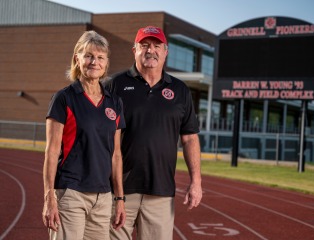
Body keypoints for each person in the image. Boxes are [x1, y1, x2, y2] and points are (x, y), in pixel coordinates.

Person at [106, 26, 202, 240]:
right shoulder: (115, 85)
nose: (151, 50)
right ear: (134, 50)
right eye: (145, 45)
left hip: (160, 191)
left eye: (157, 46)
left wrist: (196, 181)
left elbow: (189, 139)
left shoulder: (180, 90)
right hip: (119, 191)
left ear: (165, 52)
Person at [42, 30, 126, 240]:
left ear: (106, 63)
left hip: (103, 197)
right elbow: (52, 152)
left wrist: (120, 198)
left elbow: (116, 155)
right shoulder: (63, 98)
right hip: (71, 193)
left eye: (100, 57)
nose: (94, 62)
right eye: (88, 55)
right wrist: (49, 197)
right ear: (77, 59)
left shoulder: (114, 103)